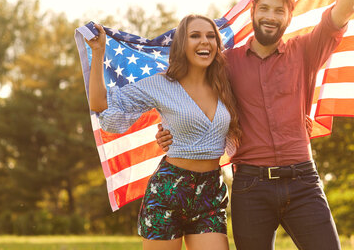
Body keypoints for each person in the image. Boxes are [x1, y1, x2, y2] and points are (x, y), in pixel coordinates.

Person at [156, 0, 354, 249]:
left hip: (303, 182)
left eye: (279, 11)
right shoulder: (226, 63)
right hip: (250, 187)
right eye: (264, 9)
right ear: (254, 12)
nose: (271, 16)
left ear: (288, 16)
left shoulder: (304, 51)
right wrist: (168, 127)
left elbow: (341, 11)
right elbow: (192, 96)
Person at [87, 14, 241, 250]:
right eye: (195, 36)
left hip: (210, 192)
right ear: (181, 44)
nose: (205, 42)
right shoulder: (161, 84)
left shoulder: (226, 84)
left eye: (211, 36)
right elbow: (100, 104)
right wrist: (99, 53)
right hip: (168, 191)